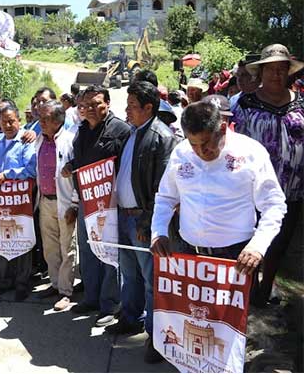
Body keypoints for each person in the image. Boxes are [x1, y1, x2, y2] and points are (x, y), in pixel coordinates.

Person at [150, 102, 287, 276]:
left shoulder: (251, 152)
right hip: (189, 254)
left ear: (222, 129)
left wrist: (257, 246)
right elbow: (166, 198)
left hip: (237, 257)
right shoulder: (181, 153)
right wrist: (158, 232)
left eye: (206, 143)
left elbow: (273, 205)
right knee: (191, 305)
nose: (201, 151)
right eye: (193, 144)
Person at [107, 80, 177, 364]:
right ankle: (131, 318)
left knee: (151, 281)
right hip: (124, 215)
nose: (127, 111)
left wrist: (147, 223)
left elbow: (163, 188)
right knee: (129, 273)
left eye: (133, 106)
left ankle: (155, 337)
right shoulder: (133, 132)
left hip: (142, 220)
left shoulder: (162, 137)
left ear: (149, 107)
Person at [233, 43, 304, 306]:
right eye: (271, 69)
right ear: (261, 72)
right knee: (252, 242)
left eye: (281, 69)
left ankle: (266, 290)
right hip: (253, 191)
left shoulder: (301, 104)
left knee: (280, 244)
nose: (276, 74)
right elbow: (234, 144)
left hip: (293, 190)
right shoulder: (246, 105)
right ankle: (248, 292)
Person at [61, 86, 130, 325]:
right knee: (89, 251)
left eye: (95, 104)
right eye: (85, 105)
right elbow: (82, 160)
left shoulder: (121, 130)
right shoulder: (82, 130)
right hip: (86, 203)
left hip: (110, 205)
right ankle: (91, 297)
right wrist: (71, 165)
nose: (89, 109)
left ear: (108, 103)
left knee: (109, 255)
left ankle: (109, 305)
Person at [0, 104, 36, 302]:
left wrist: (8, 174)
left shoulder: (26, 142)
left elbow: (31, 169)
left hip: (20, 202)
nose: (8, 125)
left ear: (19, 121)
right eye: (4, 122)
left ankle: (22, 282)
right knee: (2, 240)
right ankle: (5, 280)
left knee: (21, 239)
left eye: (12, 120)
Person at [34, 100, 78, 311]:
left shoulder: (70, 141)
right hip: (46, 200)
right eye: (40, 117)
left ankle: (66, 291)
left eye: (46, 118)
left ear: (58, 120)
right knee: (50, 246)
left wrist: (75, 205)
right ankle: (54, 283)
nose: (41, 122)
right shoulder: (39, 140)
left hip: (65, 202)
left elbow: (78, 175)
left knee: (67, 247)